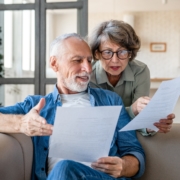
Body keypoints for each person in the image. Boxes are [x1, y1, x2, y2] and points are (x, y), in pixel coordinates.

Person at [0, 33, 145, 180]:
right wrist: (21, 123)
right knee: (63, 168)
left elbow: (134, 152)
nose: (88, 69)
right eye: (78, 60)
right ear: (54, 63)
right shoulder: (35, 105)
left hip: (101, 177)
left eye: (89, 60)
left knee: (65, 167)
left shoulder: (111, 100)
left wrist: (124, 166)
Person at [88, 20, 174, 135]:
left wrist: (151, 125)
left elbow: (141, 119)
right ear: (97, 54)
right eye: (108, 52)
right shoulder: (88, 74)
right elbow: (97, 120)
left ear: (130, 53)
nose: (115, 60)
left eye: (122, 51)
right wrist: (132, 110)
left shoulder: (141, 71)